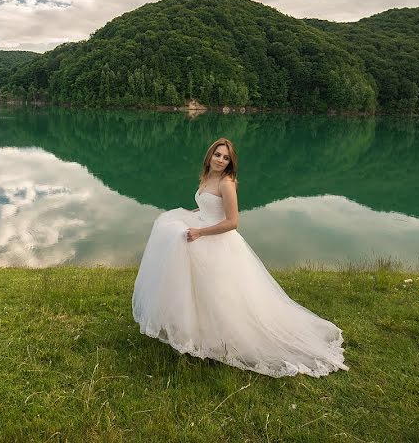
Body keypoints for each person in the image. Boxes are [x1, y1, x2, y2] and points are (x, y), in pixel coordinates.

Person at [132, 138, 348, 377]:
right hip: (203, 225)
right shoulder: (207, 177)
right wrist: (195, 214)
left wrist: (200, 232)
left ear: (230, 162)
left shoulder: (226, 183)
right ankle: (194, 328)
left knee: (220, 293)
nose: (220, 160)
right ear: (210, 155)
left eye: (225, 158)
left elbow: (232, 222)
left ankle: (222, 337)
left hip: (217, 239)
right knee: (175, 243)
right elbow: (210, 207)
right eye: (217, 155)